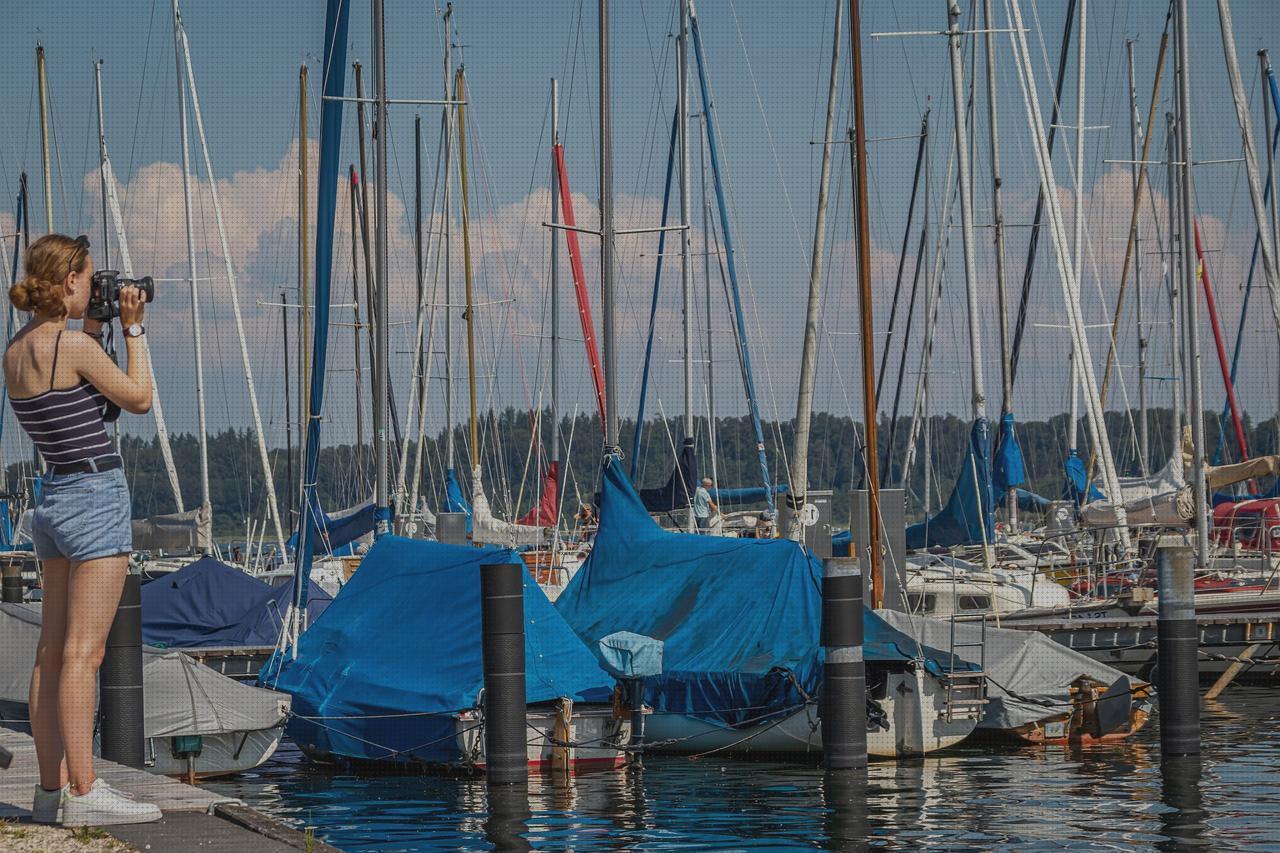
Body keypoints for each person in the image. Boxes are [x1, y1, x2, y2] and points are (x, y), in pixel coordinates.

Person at [5, 234, 160, 827]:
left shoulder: (19, 350)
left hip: (54, 498)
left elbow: (89, 409)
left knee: (51, 652)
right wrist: (133, 330)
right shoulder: (70, 347)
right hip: (95, 496)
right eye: (91, 281)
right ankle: (87, 788)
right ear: (70, 283)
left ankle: (50, 791)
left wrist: (93, 328)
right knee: (84, 653)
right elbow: (138, 399)